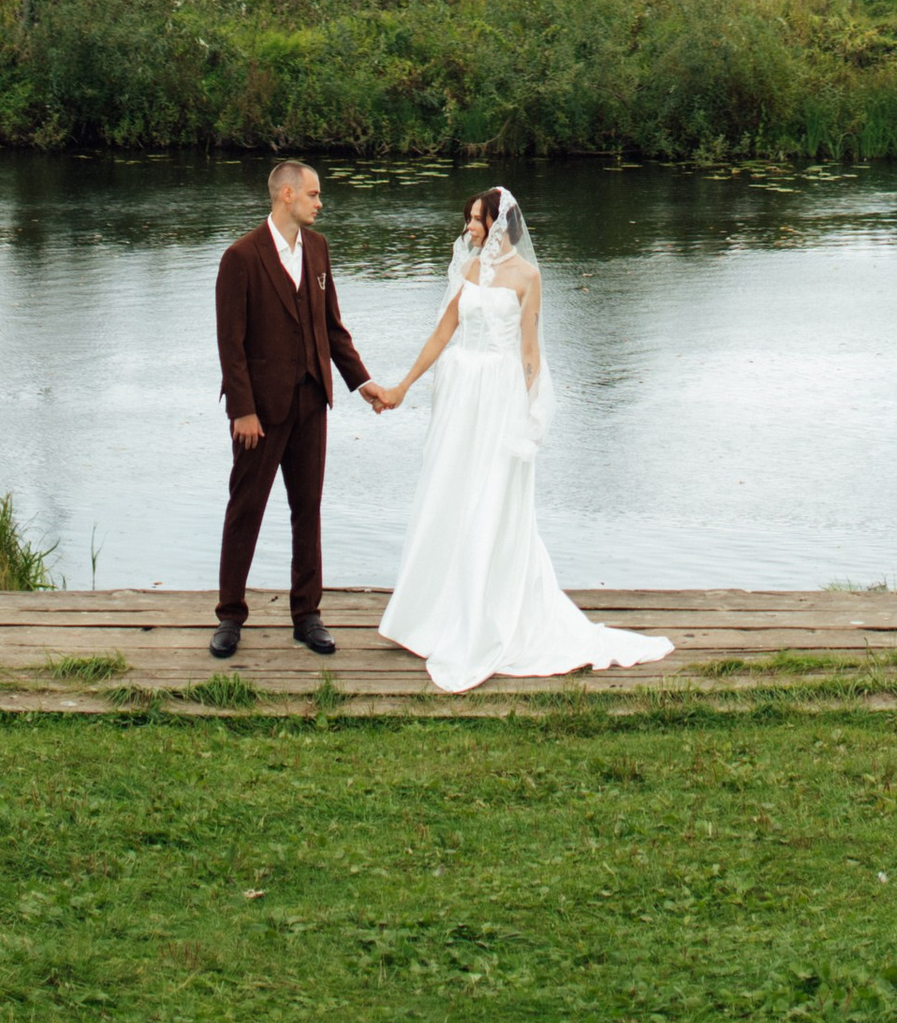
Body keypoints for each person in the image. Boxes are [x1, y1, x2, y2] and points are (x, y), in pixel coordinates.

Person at [372, 183, 672, 695]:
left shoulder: (528, 277)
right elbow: (442, 334)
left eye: (476, 220)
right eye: (468, 219)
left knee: (492, 500)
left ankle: (488, 614)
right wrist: (402, 386)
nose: (468, 228)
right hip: (460, 396)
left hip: (498, 398)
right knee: (449, 493)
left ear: (499, 225)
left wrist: (531, 412)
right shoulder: (465, 270)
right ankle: (432, 613)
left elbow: (529, 350)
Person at [210, 156, 391, 661]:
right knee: (245, 509)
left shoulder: (318, 248)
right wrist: (241, 410)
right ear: (286, 194)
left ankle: (307, 615)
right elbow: (231, 343)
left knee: (306, 509)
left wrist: (363, 382)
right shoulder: (240, 257)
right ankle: (229, 615)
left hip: (312, 400)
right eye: (313, 194)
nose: (319, 202)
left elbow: (331, 327)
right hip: (259, 414)